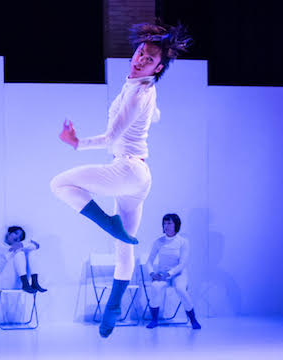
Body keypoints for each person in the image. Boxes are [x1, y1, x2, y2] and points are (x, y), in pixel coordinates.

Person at [50, 21, 191, 338]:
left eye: (150, 59)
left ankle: (108, 223)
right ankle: (113, 308)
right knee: (124, 250)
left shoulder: (138, 93)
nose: (141, 58)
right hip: (139, 179)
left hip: (126, 170)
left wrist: (76, 142)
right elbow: (152, 114)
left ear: (157, 69)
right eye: (141, 52)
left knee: (59, 184)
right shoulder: (141, 88)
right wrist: (153, 113)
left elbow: (113, 136)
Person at [144, 214, 201, 329]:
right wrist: (152, 273)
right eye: (165, 223)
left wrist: (169, 274)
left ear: (176, 224)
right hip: (161, 273)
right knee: (155, 287)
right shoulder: (158, 242)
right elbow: (149, 261)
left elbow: (182, 263)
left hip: (178, 273)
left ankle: (193, 319)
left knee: (180, 289)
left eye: (169, 223)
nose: (166, 226)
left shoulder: (183, 242)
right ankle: (154, 320)